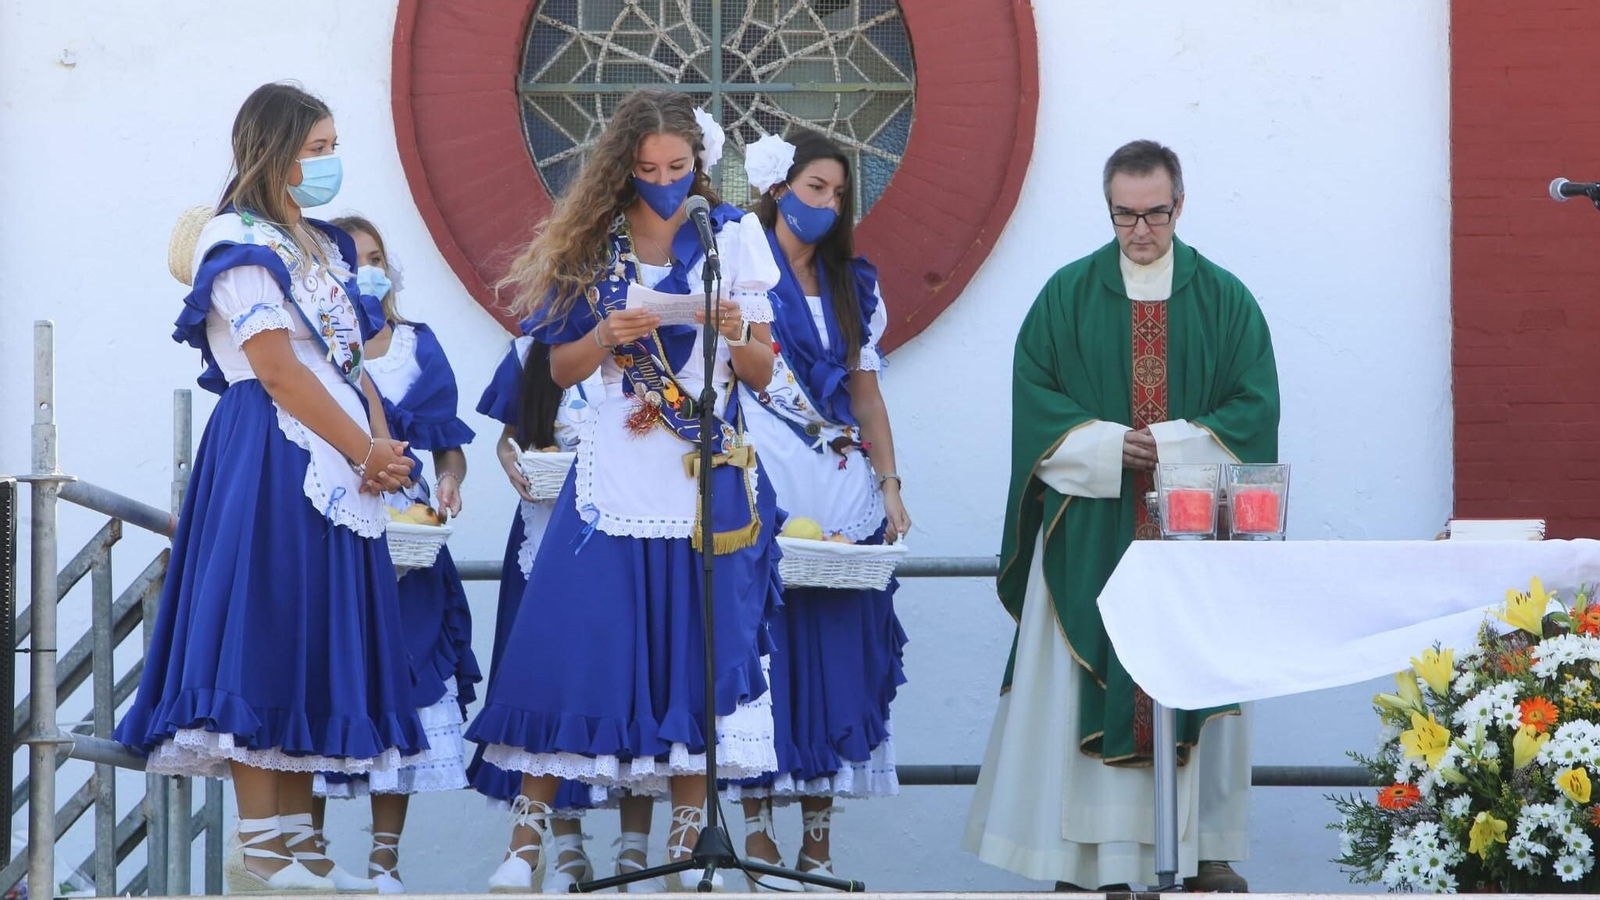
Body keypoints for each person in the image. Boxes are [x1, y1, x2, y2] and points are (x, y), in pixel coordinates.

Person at [462, 88, 783, 893]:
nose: (665, 180)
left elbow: (763, 371)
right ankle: (525, 845)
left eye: (679, 167)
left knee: (694, 657)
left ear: (700, 167)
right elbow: (556, 368)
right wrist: (605, 335)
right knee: (565, 640)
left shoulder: (732, 237)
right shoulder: (595, 247)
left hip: (700, 474)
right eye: (648, 169)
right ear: (623, 168)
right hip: (612, 469)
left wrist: (730, 324)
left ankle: (683, 856)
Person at [115, 82, 422, 894]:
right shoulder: (237, 239)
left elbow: (347, 365)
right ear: (275, 150)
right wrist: (365, 449)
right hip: (275, 446)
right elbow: (281, 372)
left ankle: (301, 843)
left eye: (331, 146)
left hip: (340, 448)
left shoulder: (319, 243)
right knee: (268, 627)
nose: (329, 161)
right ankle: (264, 849)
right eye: (316, 147)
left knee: (313, 635)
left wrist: (382, 441)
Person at [963, 140, 1279, 892]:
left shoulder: (1225, 299)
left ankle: (1201, 853)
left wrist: (1164, 446)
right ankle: (1085, 863)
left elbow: (1254, 410)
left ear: (1180, 204)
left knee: (1190, 681)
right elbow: (1033, 405)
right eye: (1125, 215)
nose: (1140, 231)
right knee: (1078, 686)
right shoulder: (1065, 296)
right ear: (1108, 208)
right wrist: (1110, 450)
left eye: (1155, 214)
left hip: (1191, 535)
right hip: (1088, 536)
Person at [727, 130, 910, 890]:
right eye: (814, 189)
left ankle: (821, 834)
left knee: (837, 650)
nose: (827, 206)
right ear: (777, 187)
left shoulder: (854, 285)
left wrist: (893, 483)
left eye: (838, 195)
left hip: (840, 484)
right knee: (770, 649)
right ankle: (760, 823)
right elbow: (741, 364)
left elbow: (864, 392)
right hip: (765, 474)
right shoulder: (738, 266)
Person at [304, 215, 483, 894]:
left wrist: (448, 483)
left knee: (403, 676)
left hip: (408, 537)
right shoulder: (308, 340)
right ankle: (308, 849)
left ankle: (384, 860)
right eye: (355, 259)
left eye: (376, 257)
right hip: (329, 524)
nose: (368, 268)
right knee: (324, 678)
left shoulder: (416, 344)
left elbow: (449, 446)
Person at [471, 335, 663, 893]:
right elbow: (510, 437)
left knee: (631, 678)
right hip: (548, 526)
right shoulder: (529, 348)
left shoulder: (644, 341)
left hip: (628, 523)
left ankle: (635, 854)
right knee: (552, 678)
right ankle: (566, 848)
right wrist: (512, 461)